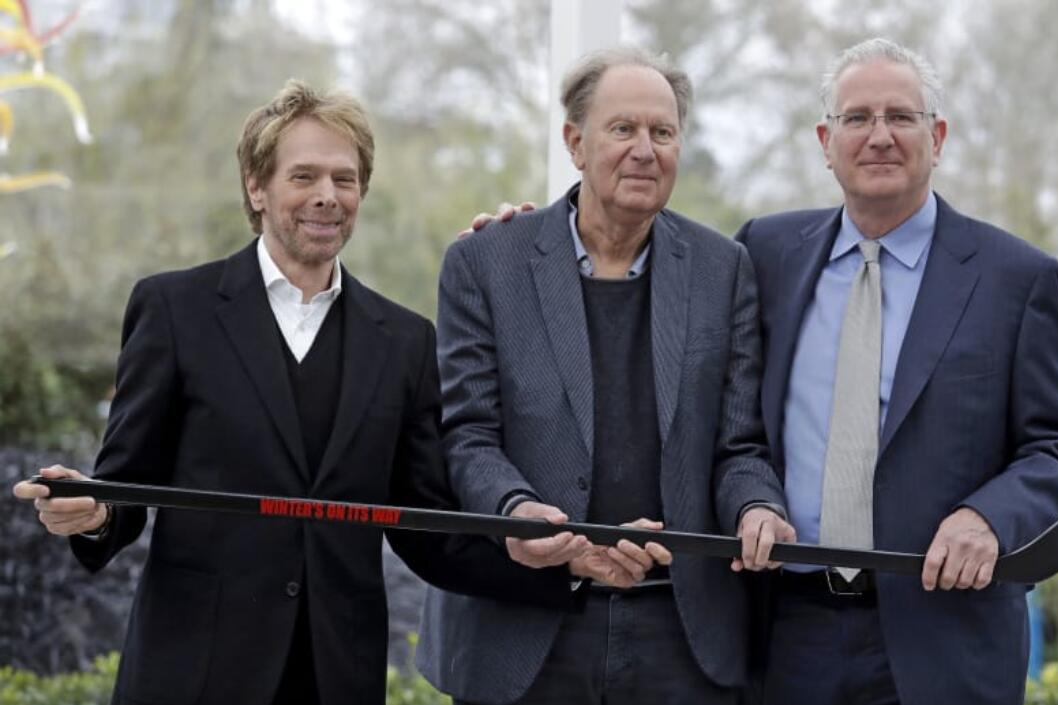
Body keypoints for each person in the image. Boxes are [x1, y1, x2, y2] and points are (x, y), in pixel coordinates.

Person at [12, 80, 555, 705]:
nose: (327, 196)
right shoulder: (173, 310)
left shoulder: (404, 341)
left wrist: (553, 560)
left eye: (344, 179)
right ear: (256, 186)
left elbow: (427, 527)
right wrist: (94, 512)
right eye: (304, 176)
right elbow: (127, 485)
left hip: (336, 677)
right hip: (191, 674)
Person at [416, 47, 795, 705]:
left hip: (681, 637)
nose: (645, 150)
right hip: (526, 631)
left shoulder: (723, 268)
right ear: (575, 142)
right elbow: (468, 434)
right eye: (623, 129)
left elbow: (739, 447)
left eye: (663, 131)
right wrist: (517, 512)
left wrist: (758, 505)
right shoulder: (485, 262)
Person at [735, 38, 1058, 704]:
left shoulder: (1017, 279)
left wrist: (988, 518)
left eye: (900, 117)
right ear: (825, 139)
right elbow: (710, 389)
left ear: (938, 135)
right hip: (784, 635)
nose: (880, 137)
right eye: (857, 118)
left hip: (945, 641)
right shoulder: (764, 252)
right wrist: (535, 237)